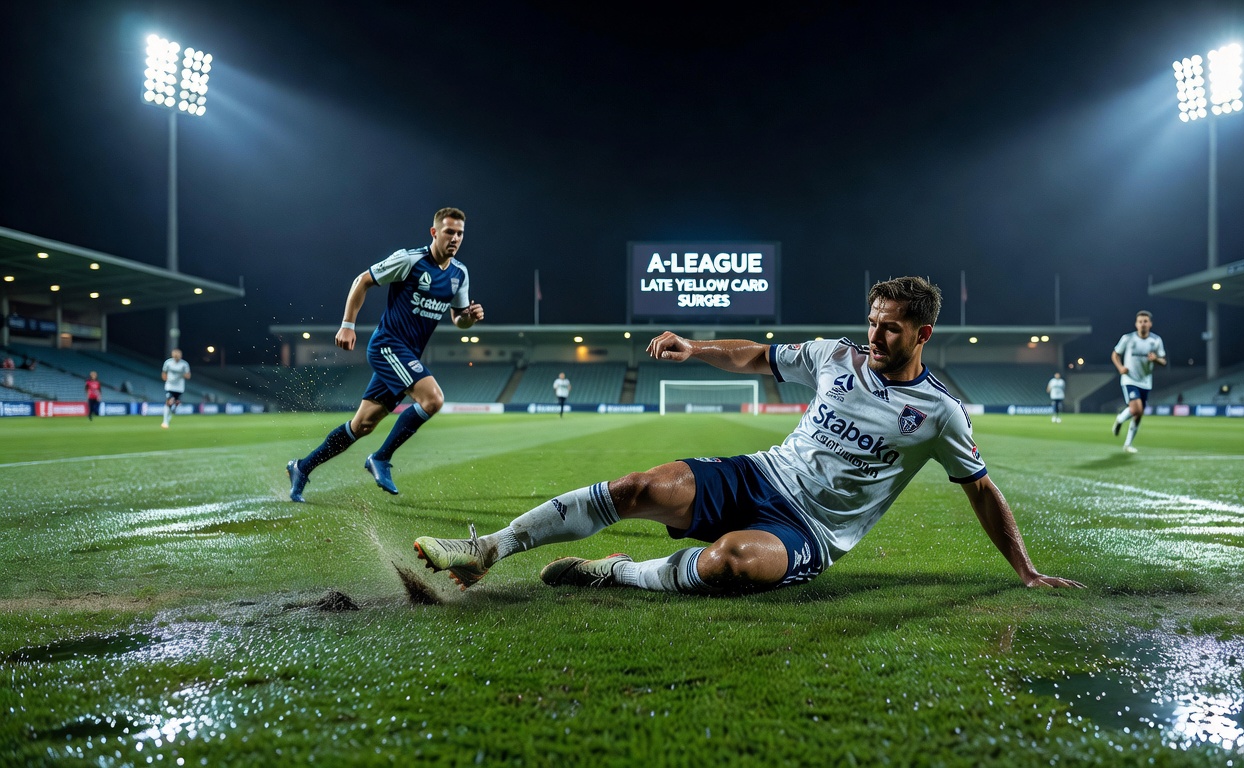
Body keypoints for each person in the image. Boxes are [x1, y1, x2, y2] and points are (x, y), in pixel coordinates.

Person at [413, 276, 1083, 596]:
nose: (875, 336)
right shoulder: (835, 356)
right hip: (760, 474)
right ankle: (488, 548)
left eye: (890, 328)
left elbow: (982, 491)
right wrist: (692, 347)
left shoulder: (940, 413)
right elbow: (756, 357)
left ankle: (617, 574)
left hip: (814, 532)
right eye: (872, 322)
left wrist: (1024, 569)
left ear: (921, 335)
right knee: (638, 486)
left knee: (735, 563)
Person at [286, 207, 484, 502]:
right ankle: (380, 458)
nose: (455, 238)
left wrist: (470, 317)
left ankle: (302, 467)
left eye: (460, 234)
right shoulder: (410, 260)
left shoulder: (459, 274)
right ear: (434, 232)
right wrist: (347, 326)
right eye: (449, 232)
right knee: (433, 399)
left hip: (407, 355)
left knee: (362, 425)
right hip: (387, 345)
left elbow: (458, 320)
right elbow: (362, 280)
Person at [1110, 310, 1166, 453]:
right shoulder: (1127, 339)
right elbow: (1115, 354)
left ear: (1150, 324)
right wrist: (1120, 367)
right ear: (1136, 324)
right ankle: (1120, 420)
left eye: (1145, 321)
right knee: (1137, 409)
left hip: (1146, 381)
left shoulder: (1156, 340)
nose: (1143, 324)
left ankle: (1127, 442)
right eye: (1140, 321)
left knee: (1138, 414)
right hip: (1129, 379)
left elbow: (1163, 361)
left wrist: (1156, 359)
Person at [160, 349, 191, 429]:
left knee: (176, 404)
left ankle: (170, 415)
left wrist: (182, 374)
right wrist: (166, 379)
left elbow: (188, 376)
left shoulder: (184, 364)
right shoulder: (168, 363)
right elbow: (164, 373)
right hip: (170, 386)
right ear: (172, 355)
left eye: (178, 355)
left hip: (179, 387)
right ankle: (165, 422)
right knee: (169, 401)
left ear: (181, 355)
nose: (176, 356)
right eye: (175, 354)